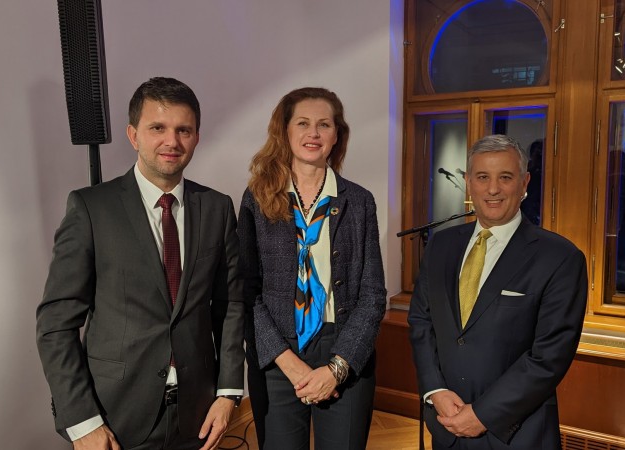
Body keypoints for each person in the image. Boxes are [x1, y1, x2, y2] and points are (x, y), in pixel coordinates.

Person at [36, 77, 244, 450]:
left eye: (184, 130)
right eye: (157, 128)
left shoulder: (217, 208)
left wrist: (228, 393)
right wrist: (82, 421)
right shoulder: (90, 209)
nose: (172, 141)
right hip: (114, 417)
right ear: (134, 135)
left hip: (197, 414)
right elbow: (55, 324)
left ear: (196, 136)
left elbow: (229, 307)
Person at [408, 134, 587, 449]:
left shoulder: (560, 258)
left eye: (505, 177)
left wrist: (482, 414)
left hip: (516, 433)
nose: (492, 189)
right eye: (482, 177)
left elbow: (548, 358)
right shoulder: (441, 246)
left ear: (524, 182)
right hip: (445, 424)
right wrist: (435, 391)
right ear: (468, 183)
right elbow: (421, 323)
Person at [237, 87, 387, 450]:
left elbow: (372, 295)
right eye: (303, 123)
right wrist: (288, 362)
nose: (314, 134)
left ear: (338, 135)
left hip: (343, 349)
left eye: (324, 124)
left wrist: (338, 367)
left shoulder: (359, 201)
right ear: (285, 132)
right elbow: (246, 293)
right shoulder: (257, 199)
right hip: (278, 353)